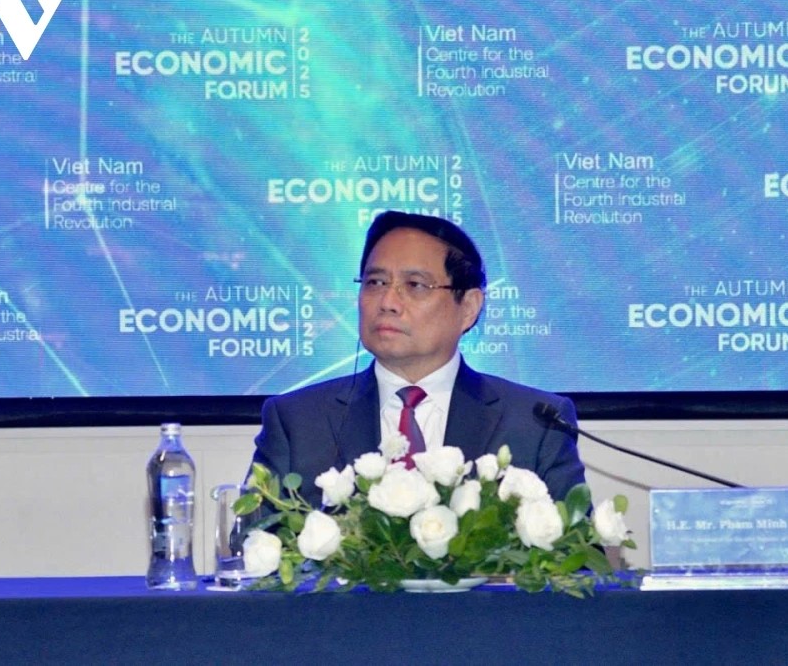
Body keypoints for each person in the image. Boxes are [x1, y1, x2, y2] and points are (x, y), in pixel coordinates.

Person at [250, 210, 585, 506]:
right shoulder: (297, 421)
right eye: (375, 282)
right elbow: (252, 546)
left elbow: (580, 553)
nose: (388, 302)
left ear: (468, 307)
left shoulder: (536, 424)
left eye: (415, 285)